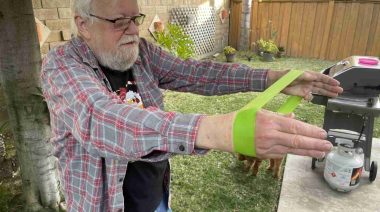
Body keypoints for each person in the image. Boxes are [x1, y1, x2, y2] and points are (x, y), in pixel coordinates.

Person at [40, 0, 343, 211]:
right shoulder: (61, 66)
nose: (133, 30)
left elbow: (199, 73)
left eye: (136, 19)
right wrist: (217, 130)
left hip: (155, 198)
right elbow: (101, 119)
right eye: (119, 21)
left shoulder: (142, 52)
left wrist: (275, 78)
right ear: (84, 25)